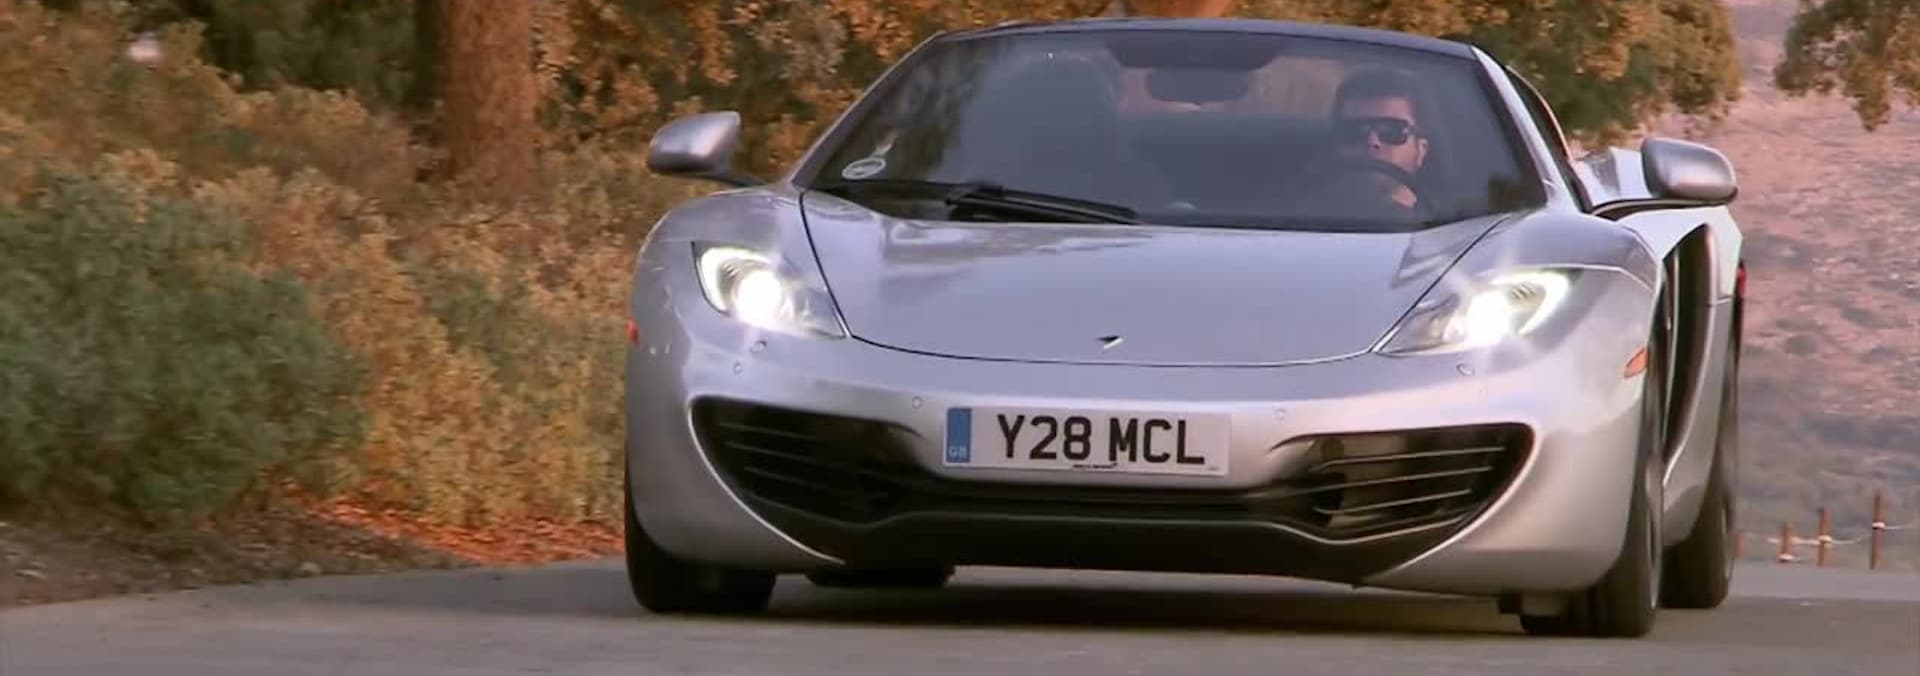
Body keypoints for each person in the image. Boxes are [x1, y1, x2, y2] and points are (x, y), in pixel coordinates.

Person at [1327, 67, 1432, 210]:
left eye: (1391, 130)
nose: (1372, 142)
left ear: (1421, 149)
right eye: (1354, 131)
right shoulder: (1305, 213)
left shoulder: (1449, 218)